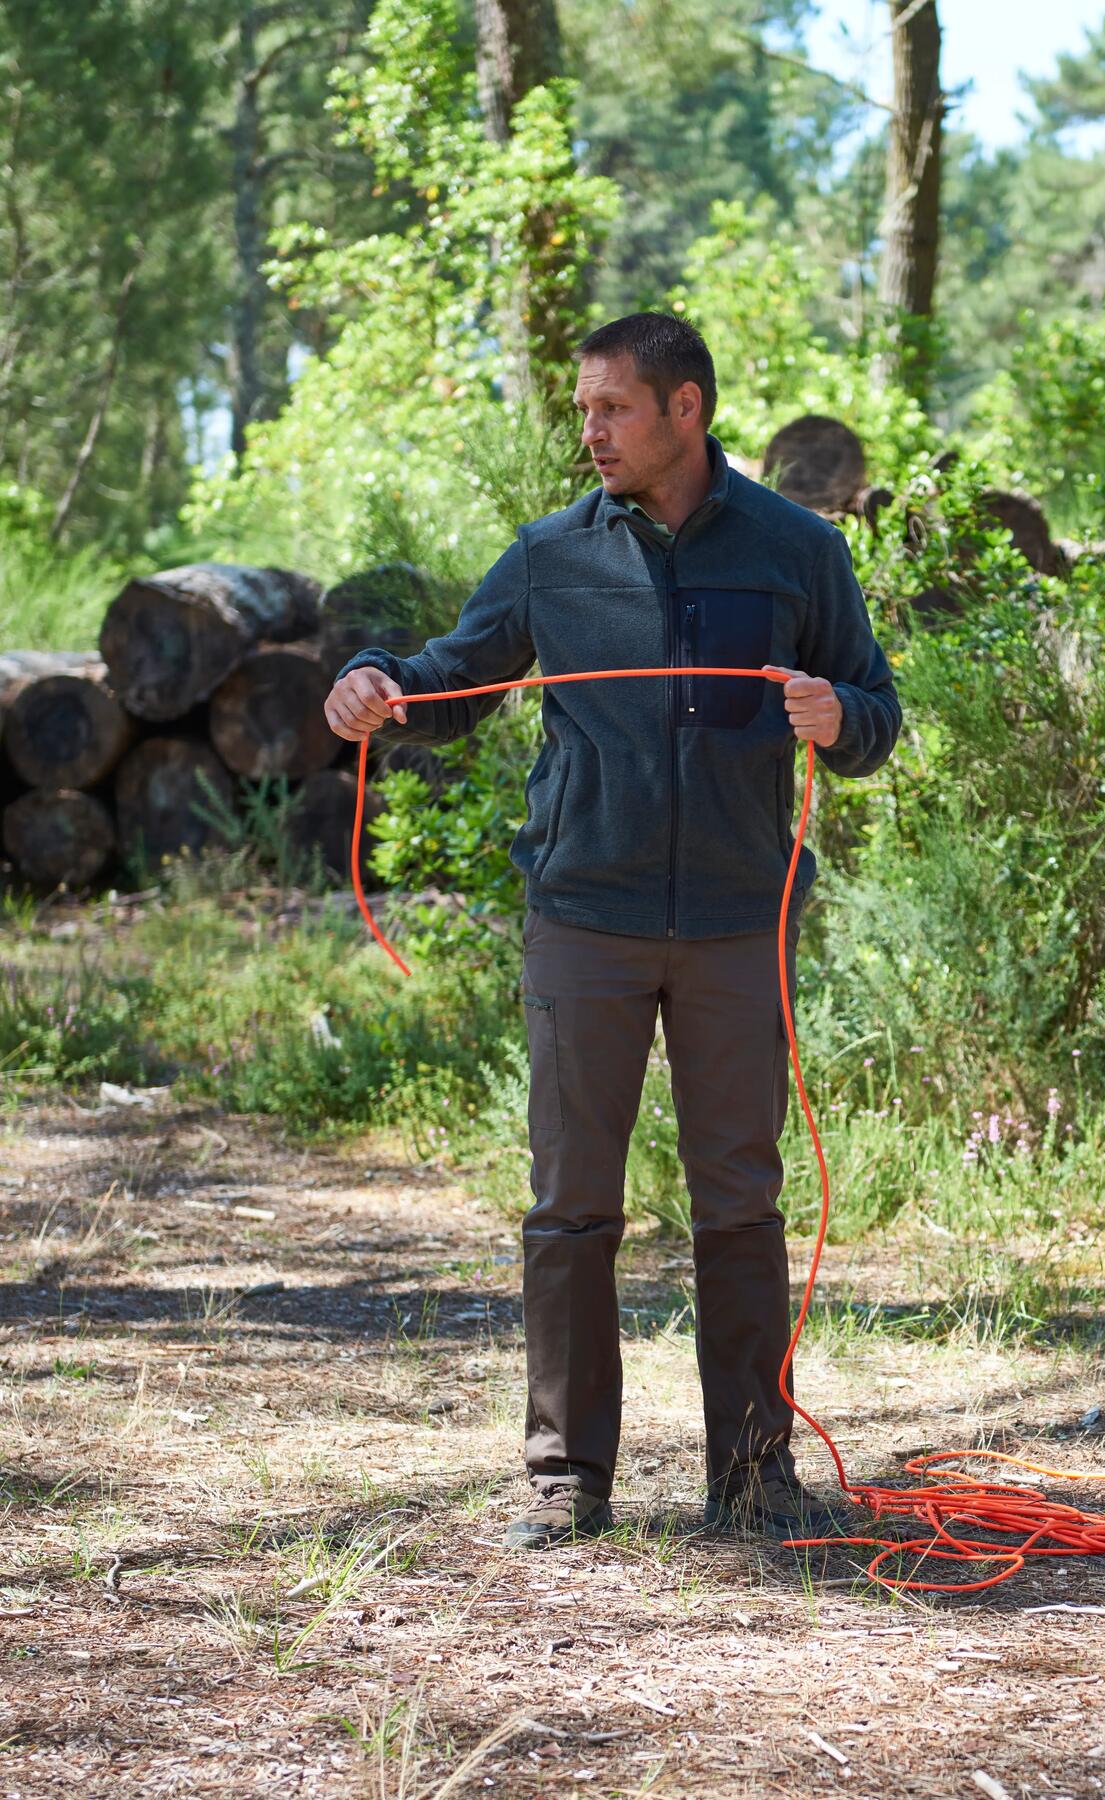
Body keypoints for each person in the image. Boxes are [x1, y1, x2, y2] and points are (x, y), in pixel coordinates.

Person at [323, 311, 901, 1548]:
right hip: (583, 918)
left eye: (611, 410)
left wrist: (834, 715)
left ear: (685, 409)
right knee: (570, 1203)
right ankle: (563, 1477)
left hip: (741, 924)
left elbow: (877, 711)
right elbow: (448, 678)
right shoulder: (549, 556)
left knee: (739, 1202)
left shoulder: (797, 551)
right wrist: (374, 683)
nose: (589, 432)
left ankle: (752, 1477)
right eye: (583, 410)